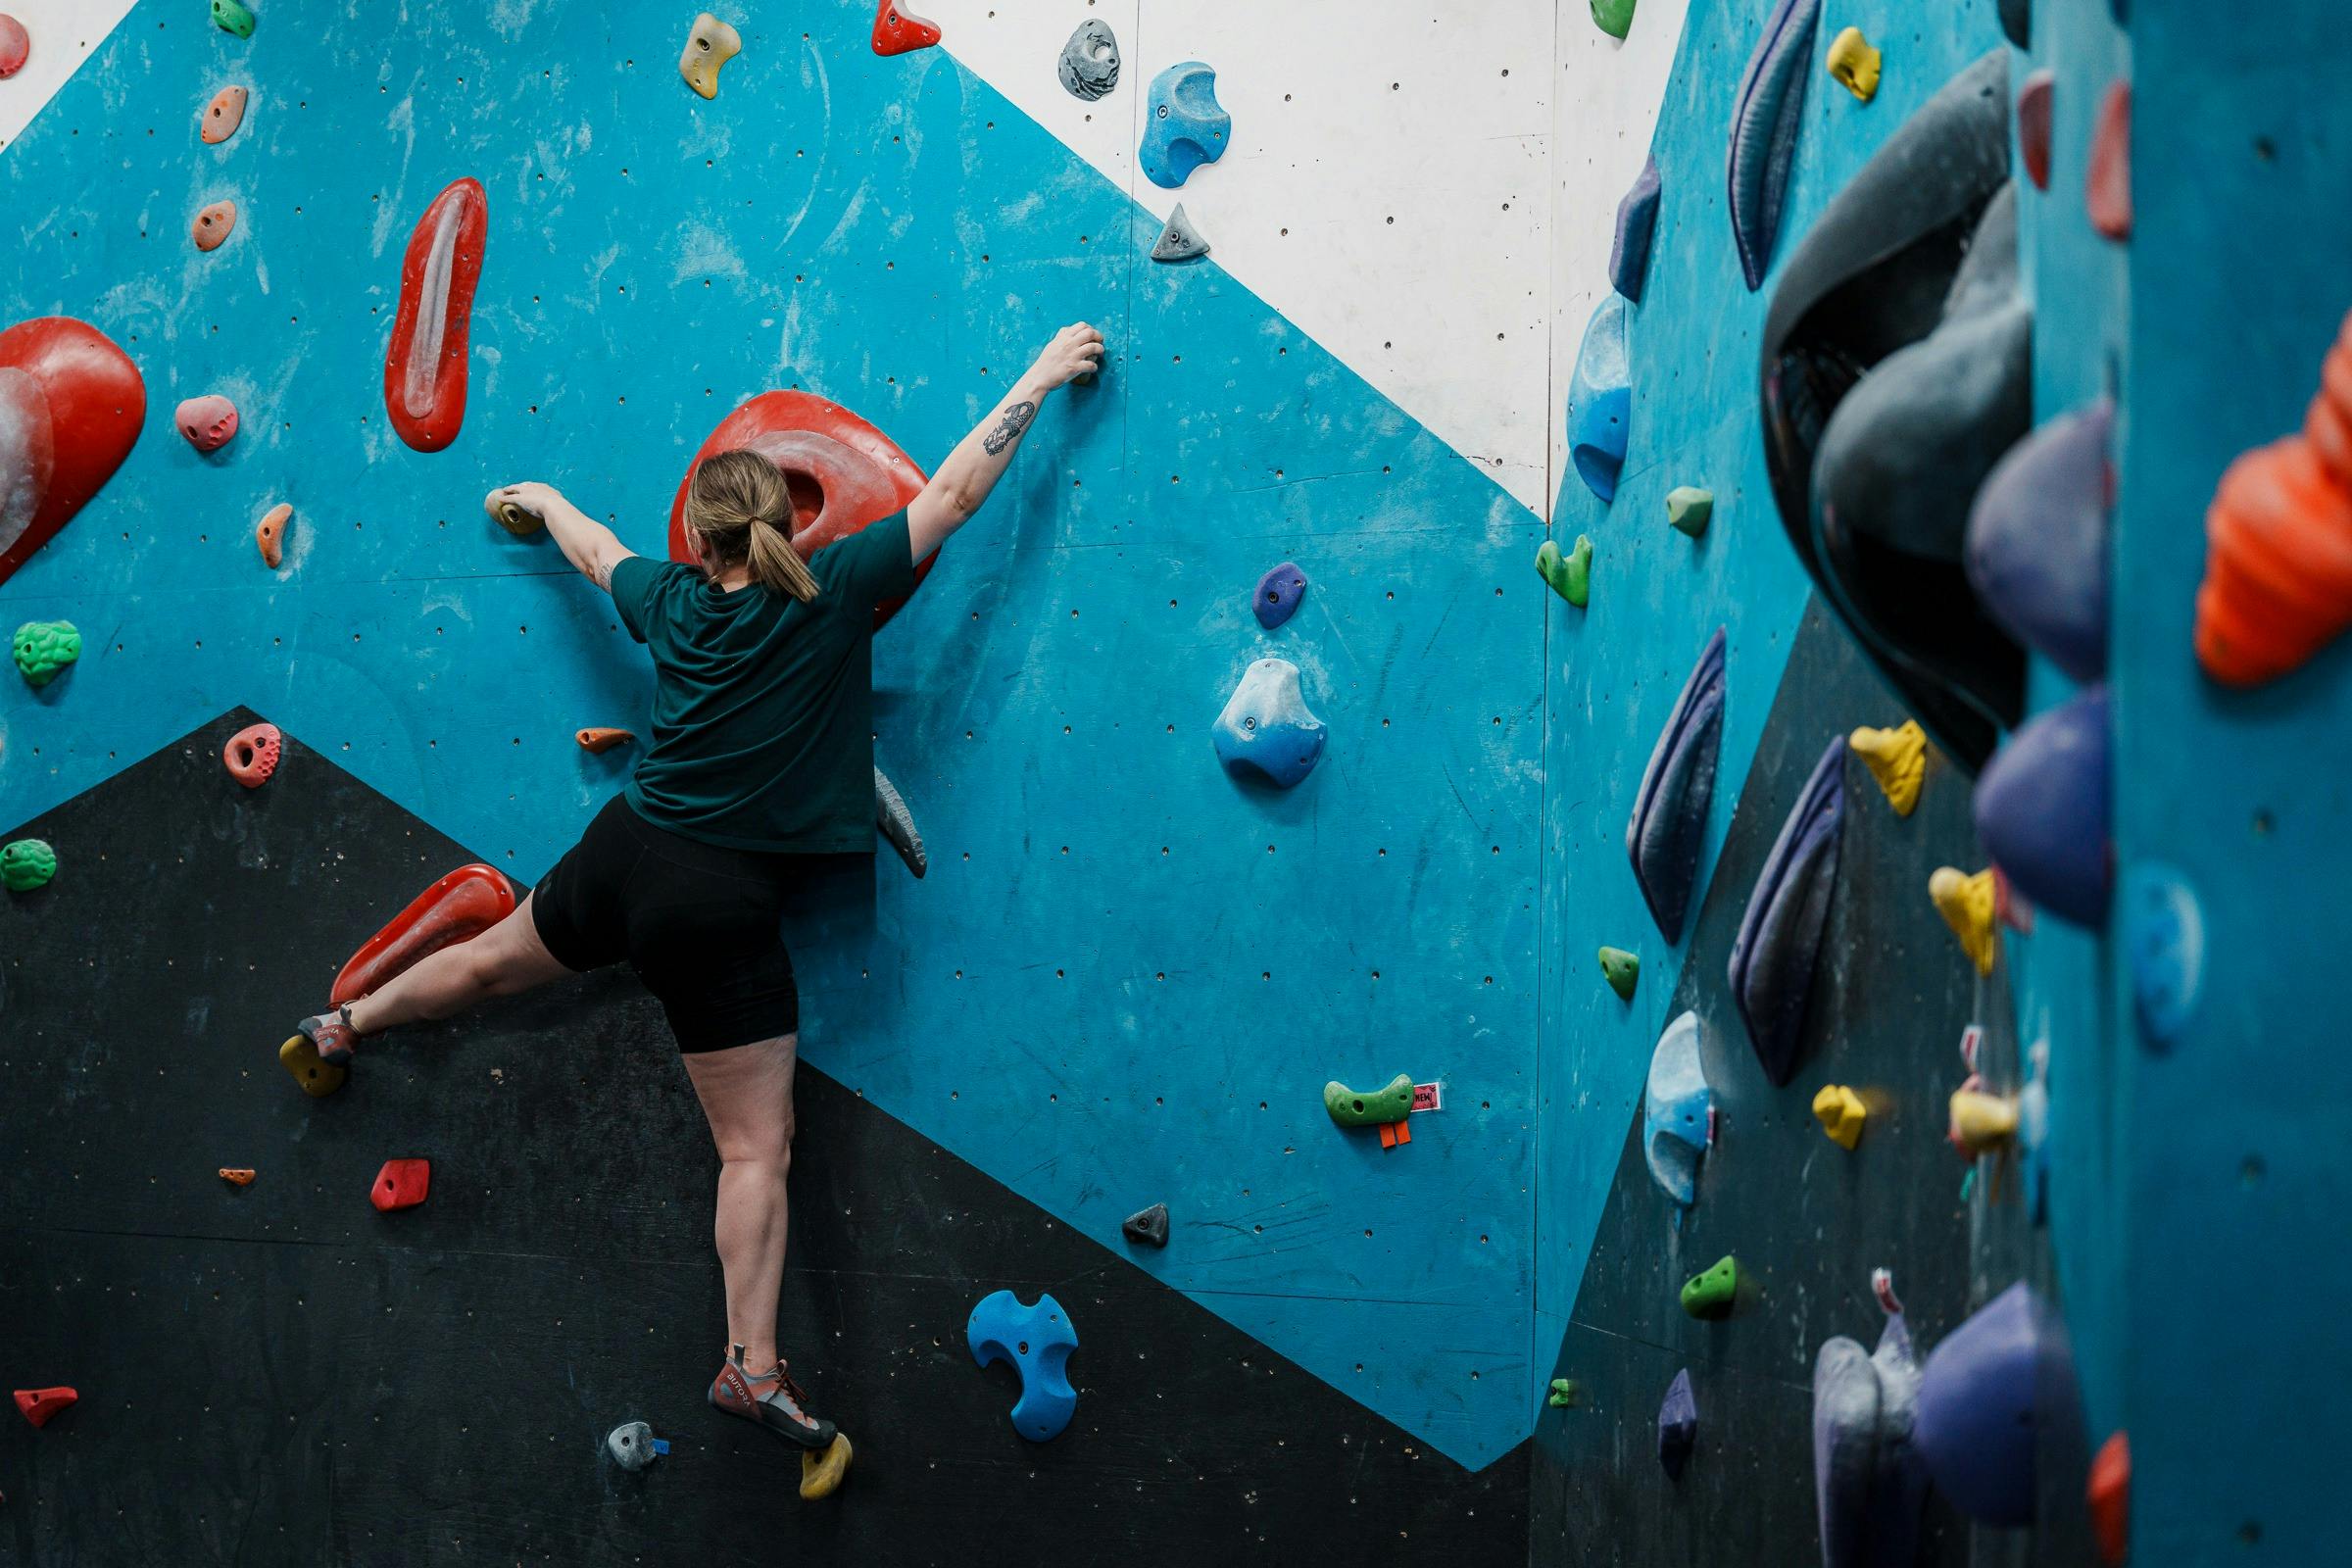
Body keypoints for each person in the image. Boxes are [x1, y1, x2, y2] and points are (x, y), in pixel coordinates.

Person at [291, 321, 1104, 1455]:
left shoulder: (670, 600)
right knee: (753, 1152)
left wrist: (537, 493)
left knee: (485, 966)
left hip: (624, 852)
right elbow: (960, 493)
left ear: (706, 536)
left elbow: (590, 550)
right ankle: (750, 1367)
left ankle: (347, 1021)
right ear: (781, 523)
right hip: (717, 904)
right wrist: (1044, 374)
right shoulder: (829, 590)